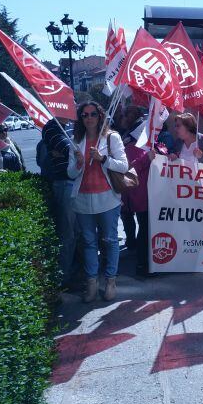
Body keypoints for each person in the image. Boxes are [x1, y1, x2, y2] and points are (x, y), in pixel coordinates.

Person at [68, 101, 129, 303]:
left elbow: (123, 166)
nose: (89, 118)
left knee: (110, 240)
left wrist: (103, 159)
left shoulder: (112, 137)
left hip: (108, 198)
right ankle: (92, 284)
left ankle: (110, 282)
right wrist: (78, 164)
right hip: (83, 200)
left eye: (93, 114)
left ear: (100, 115)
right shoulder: (76, 141)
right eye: (84, 115)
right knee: (88, 242)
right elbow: (70, 173)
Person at [42, 117, 79, 288]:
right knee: (67, 234)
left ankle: (73, 273)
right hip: (65, 184)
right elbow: (72, 150)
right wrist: (75, 152)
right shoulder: (52, 127)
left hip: (76, 183)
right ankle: (63, 278)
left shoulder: (69, 126)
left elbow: (75, 151)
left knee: (77, 233)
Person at [118, 107, 154, 276]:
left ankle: (143, 262)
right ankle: (142, 264)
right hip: (138, 192)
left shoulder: (141, 139)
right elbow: (130, 167)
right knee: (144, 228)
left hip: (143, 192)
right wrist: (147, 158)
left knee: (145, 228)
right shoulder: (129, 141)